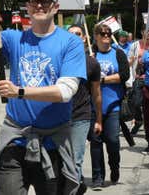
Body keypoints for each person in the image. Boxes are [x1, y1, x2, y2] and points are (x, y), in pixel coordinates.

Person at [0, 0, 86, 195]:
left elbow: (65, 91)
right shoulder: (14, 38)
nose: (39, 5)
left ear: (56, 7)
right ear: (28, 6)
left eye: (46, 1)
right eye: (34, 1)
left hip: (53, 143)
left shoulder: (71, 43)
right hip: (16, 139)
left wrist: (19, 91)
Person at [89, 23, 130, 189]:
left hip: (113, 105)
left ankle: (115, 166)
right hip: (93, 107)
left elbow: (124, 75)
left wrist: (102, 79)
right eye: (102, 33)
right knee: (95, 141)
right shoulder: (90, 54)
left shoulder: (118, 53)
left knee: (113, 140)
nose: (106, 35)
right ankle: (97, 176)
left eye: (108, 33)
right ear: (96, 36)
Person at [67, 25, 102, 195]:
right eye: (71, 33)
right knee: (58, 160)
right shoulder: (58, 59)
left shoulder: (92, 63)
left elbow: (96, 94)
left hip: (81, 116)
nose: (74, 36)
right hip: (58, 117)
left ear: (84, 38)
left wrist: (99, 120)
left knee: (75, 160)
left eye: (78, 34)